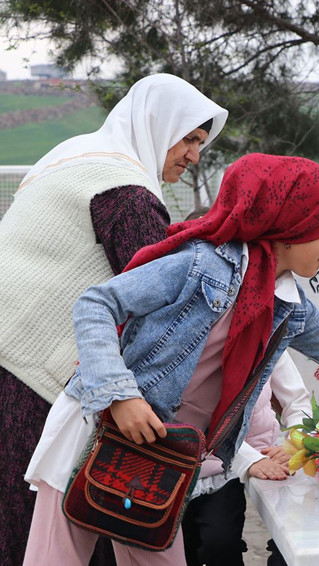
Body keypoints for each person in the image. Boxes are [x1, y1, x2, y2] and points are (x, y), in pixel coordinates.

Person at [22, 153, 319, 565]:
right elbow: (96, 303)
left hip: (161, 456)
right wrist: (120, 395)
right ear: (287, 229)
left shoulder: (288, 304)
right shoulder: (201, 265)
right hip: (97, 433)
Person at [0, 72, 228, 566]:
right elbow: (163, 308)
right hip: (32, 375)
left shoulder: (74, 155)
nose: (194, 155)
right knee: (67, 516)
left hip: (10, 348)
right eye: (188, 138)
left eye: (200, 143)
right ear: (156, 124)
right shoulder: (127, 191)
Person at [182, 351, 310, 566]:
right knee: (183, 546)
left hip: (228, 466)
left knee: (221, 542)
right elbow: (193, 416)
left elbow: (297, 400)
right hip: (178, 456)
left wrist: (297, 443)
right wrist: (248, 458)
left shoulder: (271, 336)